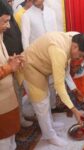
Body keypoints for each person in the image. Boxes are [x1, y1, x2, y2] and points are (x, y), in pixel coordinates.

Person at [17, 32, 84, 146]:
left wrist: (73, 90)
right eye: (81, 55)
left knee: (47, 96)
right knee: (41, 103)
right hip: (30, 66)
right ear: (75, 47)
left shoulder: (75, 38)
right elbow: (59, 86)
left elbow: (65, 71)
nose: (80, 59)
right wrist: (75, 110)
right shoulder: (59, 52)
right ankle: (49, 136)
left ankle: (50, 124)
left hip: (40, 67)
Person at [3, 0, 33, 127]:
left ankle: (20, 116)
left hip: (15, 60)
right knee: (14, 93)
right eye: (8, 1)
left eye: (11, 1)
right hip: (8, 65)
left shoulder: (10, 17)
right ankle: (18, 120)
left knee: (19, 91)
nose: (10, 4)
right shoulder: (3, 19)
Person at [0, 0, 24, 149]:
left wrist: (9, 61)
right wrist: (9, 67)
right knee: (3, 139)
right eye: (4, 21)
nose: (8, 26)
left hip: (7, 97)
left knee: (11, 136)